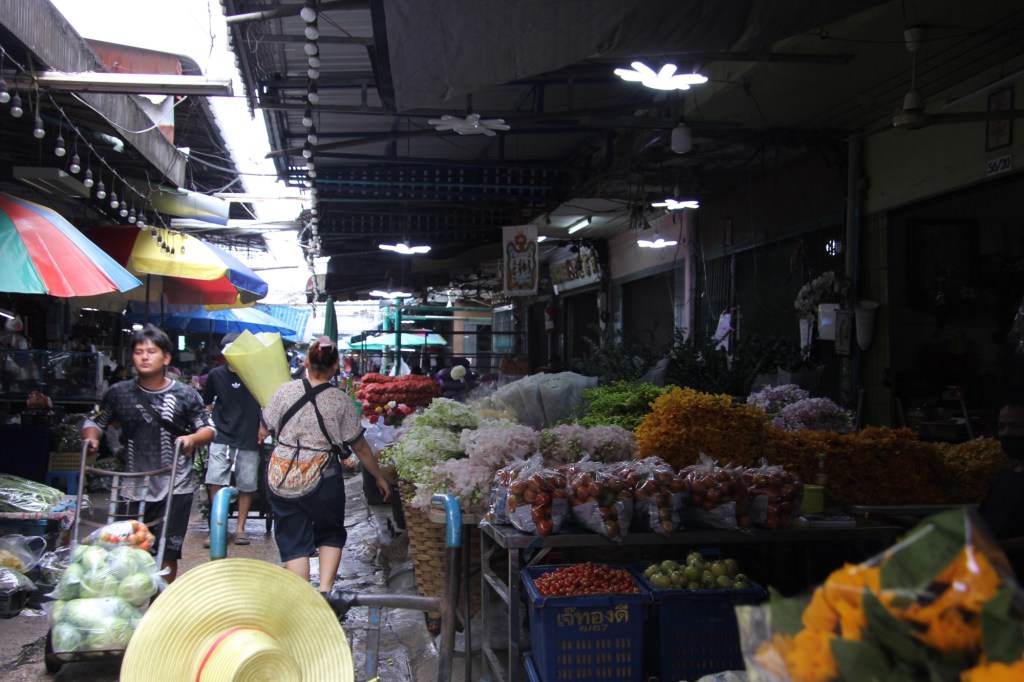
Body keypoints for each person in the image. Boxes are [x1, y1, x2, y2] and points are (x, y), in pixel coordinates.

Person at [81, 324, 215, 583]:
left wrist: (192, 438)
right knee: (126, 551)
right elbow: (94, 421)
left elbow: (208, 429)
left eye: (151, 352)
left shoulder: (185, 394)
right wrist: (91, 438)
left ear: (166, 358)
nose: (144, 357)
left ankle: (160, 603)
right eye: (138, 352)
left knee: (168, 553)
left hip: (176, 486)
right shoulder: (118, 393)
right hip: (133, 486)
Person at [258, 335, 390, 593]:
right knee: (330, 531)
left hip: (281, 476)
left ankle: (304, 599)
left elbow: (263, 430)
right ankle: (325, 591)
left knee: (294, 541)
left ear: (306, 362)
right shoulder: (340, 400)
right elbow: (360, 447)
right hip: (323, 476)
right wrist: (379, 477)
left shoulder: (284, 391)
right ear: (335, 366)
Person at [201, 332, 262, 546]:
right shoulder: (216, 375)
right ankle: (217, 527)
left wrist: (263, 427)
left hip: (248, 436)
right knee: (215, 481)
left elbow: (266, 402)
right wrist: (211, 423)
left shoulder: (255, 375)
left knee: (247, 485)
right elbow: (207, 402)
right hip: (221, 436)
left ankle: (240, 529)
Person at [978, 386, 1024, 580]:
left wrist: (995, 546)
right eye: (1002, 427)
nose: (1007, 433)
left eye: (1016, 426)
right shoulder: (1004, 477)